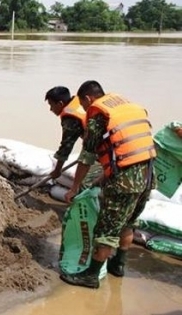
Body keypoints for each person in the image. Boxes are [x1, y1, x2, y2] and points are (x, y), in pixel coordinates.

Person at [61, 80, 156, 289]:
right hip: (147, 175)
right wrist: (103, 177)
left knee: (107, 228)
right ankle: (118, 265)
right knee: (128, 222)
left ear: (88, 98)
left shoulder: (98, 114)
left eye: (84, 107)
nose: (85, 111)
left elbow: (87, 156)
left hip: (124, 182)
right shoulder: (127, 107)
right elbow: (127, 149)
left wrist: (74, 188)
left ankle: (90, 276)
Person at [44, 86, 86, 179]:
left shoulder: (70, 118)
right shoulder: (79, 103)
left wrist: (57, 170)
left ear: (60, 104)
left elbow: (66, 146)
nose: (51, 109)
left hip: (104, 148)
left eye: (51, 105)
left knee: (83, 181)